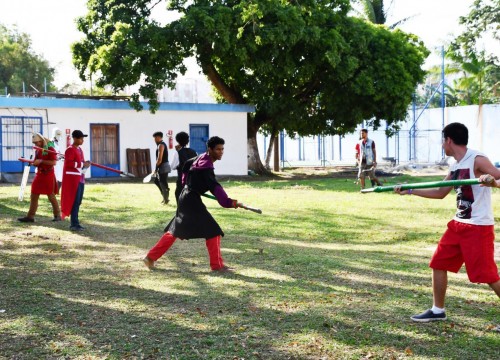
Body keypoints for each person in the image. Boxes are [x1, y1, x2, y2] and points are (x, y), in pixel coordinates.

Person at [394, 122, 500, 323]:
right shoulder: (456, 165)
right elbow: (440, 192)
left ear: (449, 140)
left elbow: (498, 178)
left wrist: (493, 182)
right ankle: (437, 310)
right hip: (458, 224)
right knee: (439, 262)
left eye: (443, 141)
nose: (443, 146)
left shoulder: (476, 159)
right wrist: (409, 190)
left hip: (478, 227)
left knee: (488, 275)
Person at [143, 136, 241, 272]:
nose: (221, 152)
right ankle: (217, 266)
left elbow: (186, 166)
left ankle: (150, 258)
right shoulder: (206, 168)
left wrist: (187, 185)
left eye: (222, 149)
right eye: (218, 149)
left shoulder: (199, 158)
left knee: (175, 231)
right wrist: (230, 202)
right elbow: (216, 189)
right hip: (191, 200)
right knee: (213, 231)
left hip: (186, 197)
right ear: (210, 149)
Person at [18, 133, 61, 222]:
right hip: (40, 174)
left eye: (37, 142)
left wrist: (41, 161)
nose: (36, 145)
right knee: (34, 194)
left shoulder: (50, 149)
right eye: (34, 143)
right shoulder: (38, 150)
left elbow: (53, 162)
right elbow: (36, 161)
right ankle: (30, 217)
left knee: (51, 196)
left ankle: (57, 215)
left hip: (48, 175)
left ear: (42, 141)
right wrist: (31, 162)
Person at [60, 130, 90, 231]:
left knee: (78, 202)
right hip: (73, 179)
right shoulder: (70, 150)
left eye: (83, 139)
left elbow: (81, 163)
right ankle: (74, 224)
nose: (82, 140)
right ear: (75, 138)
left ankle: (76, 222)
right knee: (74, 201)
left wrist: (86, 164)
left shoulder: (80, 150)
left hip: (80, 178)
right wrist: (82, 164)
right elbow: (69, 163)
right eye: (81, 138)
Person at [170, 131, 198, 204]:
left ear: (177, 140)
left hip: (182, 180)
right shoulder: (194, 152)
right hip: (193, 180)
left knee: (179, 195)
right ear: (188, 140)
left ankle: (181, 212)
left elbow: (172, 167)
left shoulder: (177, 152)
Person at [152, 131, 171, 204]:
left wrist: (156, 169)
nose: (154, 139)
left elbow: (159, 159)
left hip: (163, 166)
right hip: (162, 166)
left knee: (163, 183)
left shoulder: (161, 145)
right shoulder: (160, 145)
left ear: (159, 137)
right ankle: (164, 197)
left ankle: (166, 200)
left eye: (155, 138)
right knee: (157, 181)